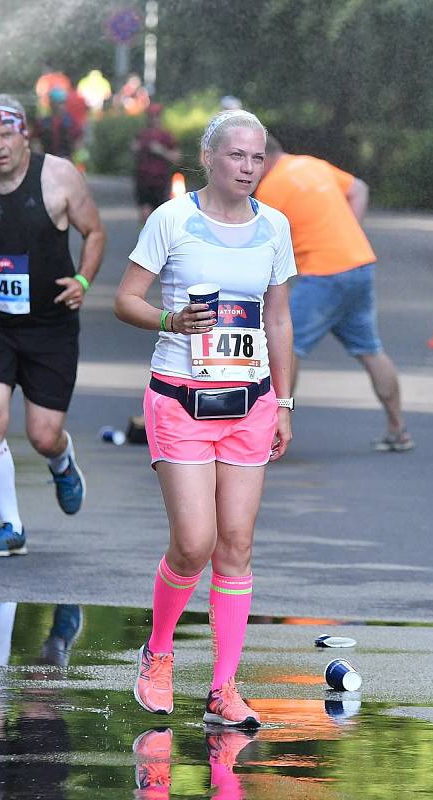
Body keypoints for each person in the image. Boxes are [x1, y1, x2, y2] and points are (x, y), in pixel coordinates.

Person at [114, 109, 295, 728]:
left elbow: (279, 318)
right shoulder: (173, 220)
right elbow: (124, 299)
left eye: (257, 157)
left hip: (251, 401)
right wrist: (171, 321)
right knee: (194, 544)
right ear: (209, 159)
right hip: (180, 398)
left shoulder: (275, 226)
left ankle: (223, 689)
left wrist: (286, 402)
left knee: (236, 545)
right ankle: (158, 653)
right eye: (237, 156)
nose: (249, 168)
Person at [0, 94, 105, 557]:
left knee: (42, 435)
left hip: (51, 324)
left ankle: (62, 461)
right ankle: (10, 525)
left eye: (6, 135)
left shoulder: (58, 177)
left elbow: (94, 231)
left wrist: (84, 279)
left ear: (23, 134)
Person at [255, 136, 414, 451]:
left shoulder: (270, 188)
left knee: (287, 345)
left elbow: (262, 242)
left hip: (324, 274)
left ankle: (272, 431)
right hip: (359, 264)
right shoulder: (313, 164)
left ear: (263, 158)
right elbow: (359, 189)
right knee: (371, 349)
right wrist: (347, 233)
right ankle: (398, 430)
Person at [131, 103, 181, 225]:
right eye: (151, 116)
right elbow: (134, 152)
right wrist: (135, 149)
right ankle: (145, 238)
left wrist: (161, 151)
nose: (153, 119)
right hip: (143, 180)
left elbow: (177, 158)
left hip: (160, 181)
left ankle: (158, 239)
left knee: (161, 215)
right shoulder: (141, 134)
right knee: (145, 214)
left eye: (156, 116)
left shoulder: (166, 135)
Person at [34, 87, 82, 161]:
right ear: (51, 104)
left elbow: (77, 142)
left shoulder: (71, 122)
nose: (61, 106)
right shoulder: (43, 123)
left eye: (62, 103)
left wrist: (75, 157)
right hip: (47, 160)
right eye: (58, 103)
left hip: (66, 160)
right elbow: (37, 142)